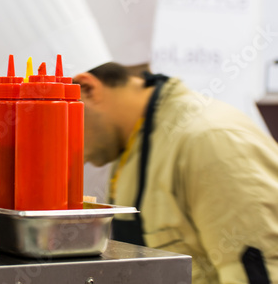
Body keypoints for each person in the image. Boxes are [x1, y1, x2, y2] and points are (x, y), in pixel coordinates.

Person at [73, 62, 278, 284]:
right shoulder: (131, 146)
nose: (65, 150)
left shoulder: (210, 139)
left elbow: (258, 272)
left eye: (62, 120)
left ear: (88, 88)